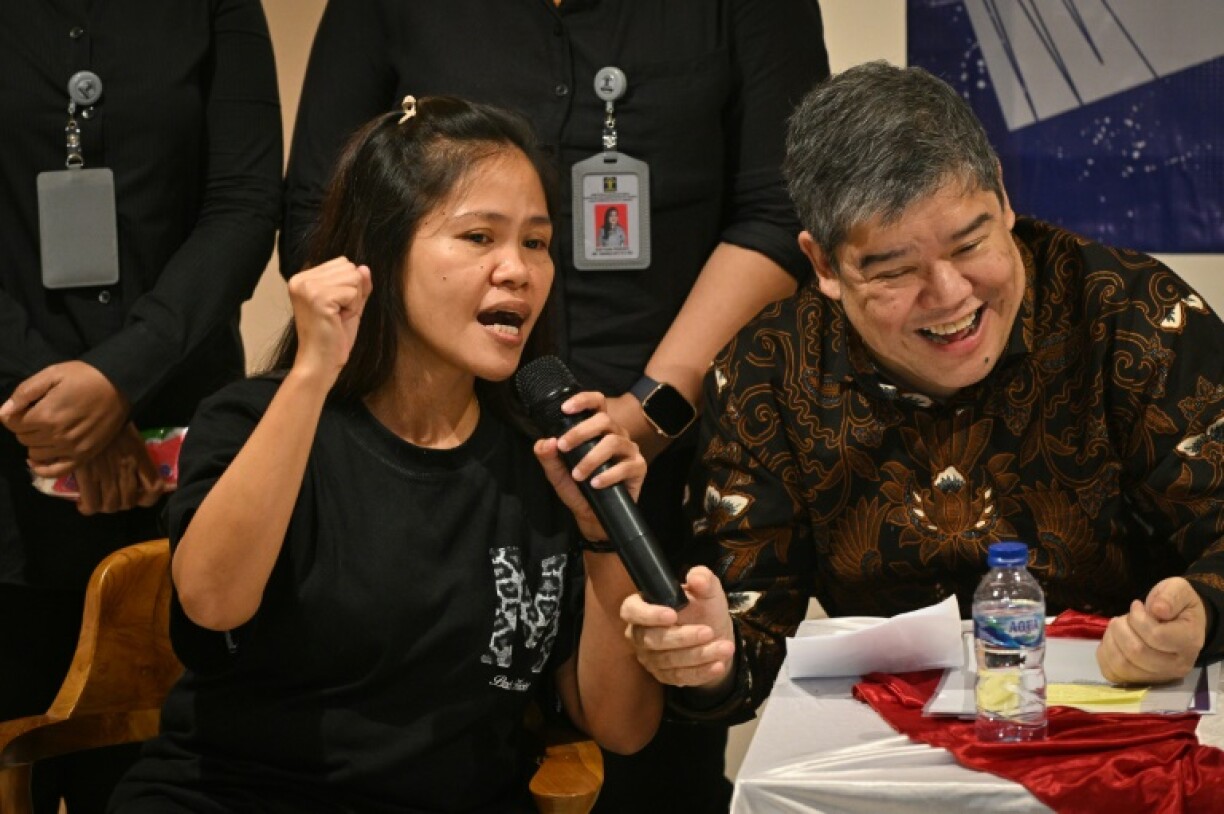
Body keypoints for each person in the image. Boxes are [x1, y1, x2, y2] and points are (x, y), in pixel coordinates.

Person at [279, 2, 830, 809]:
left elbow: (782, 212)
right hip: (448, 451)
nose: (515, 267)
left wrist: (645, 414)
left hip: (657, 463)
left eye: (531, 242)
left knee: (652, 771)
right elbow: (320, 212)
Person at [621, 62, 1224, 722]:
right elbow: (745, 639)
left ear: (1001, 193)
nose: (950, 297)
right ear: (823, 264)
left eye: (971, 243)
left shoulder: (1132, 316)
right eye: (896, 271)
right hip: (899, 740)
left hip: (1117, 724)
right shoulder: (769, 371)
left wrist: (1202, 612)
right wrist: (709, 660)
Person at [108, 95, 661, 813]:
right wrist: (313, 371)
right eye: (477, 237)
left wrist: (602, 540)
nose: (518, 271)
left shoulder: (547, 464)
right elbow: (213, 602)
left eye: (535, 242)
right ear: (379, 252)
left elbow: (621, 729)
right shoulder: (255, 419)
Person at [0, 2, 282, 811]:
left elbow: (244, 202)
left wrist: (118, 380)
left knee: (159, 780)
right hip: (5, 461)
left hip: (177, 459)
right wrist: (54, 397)